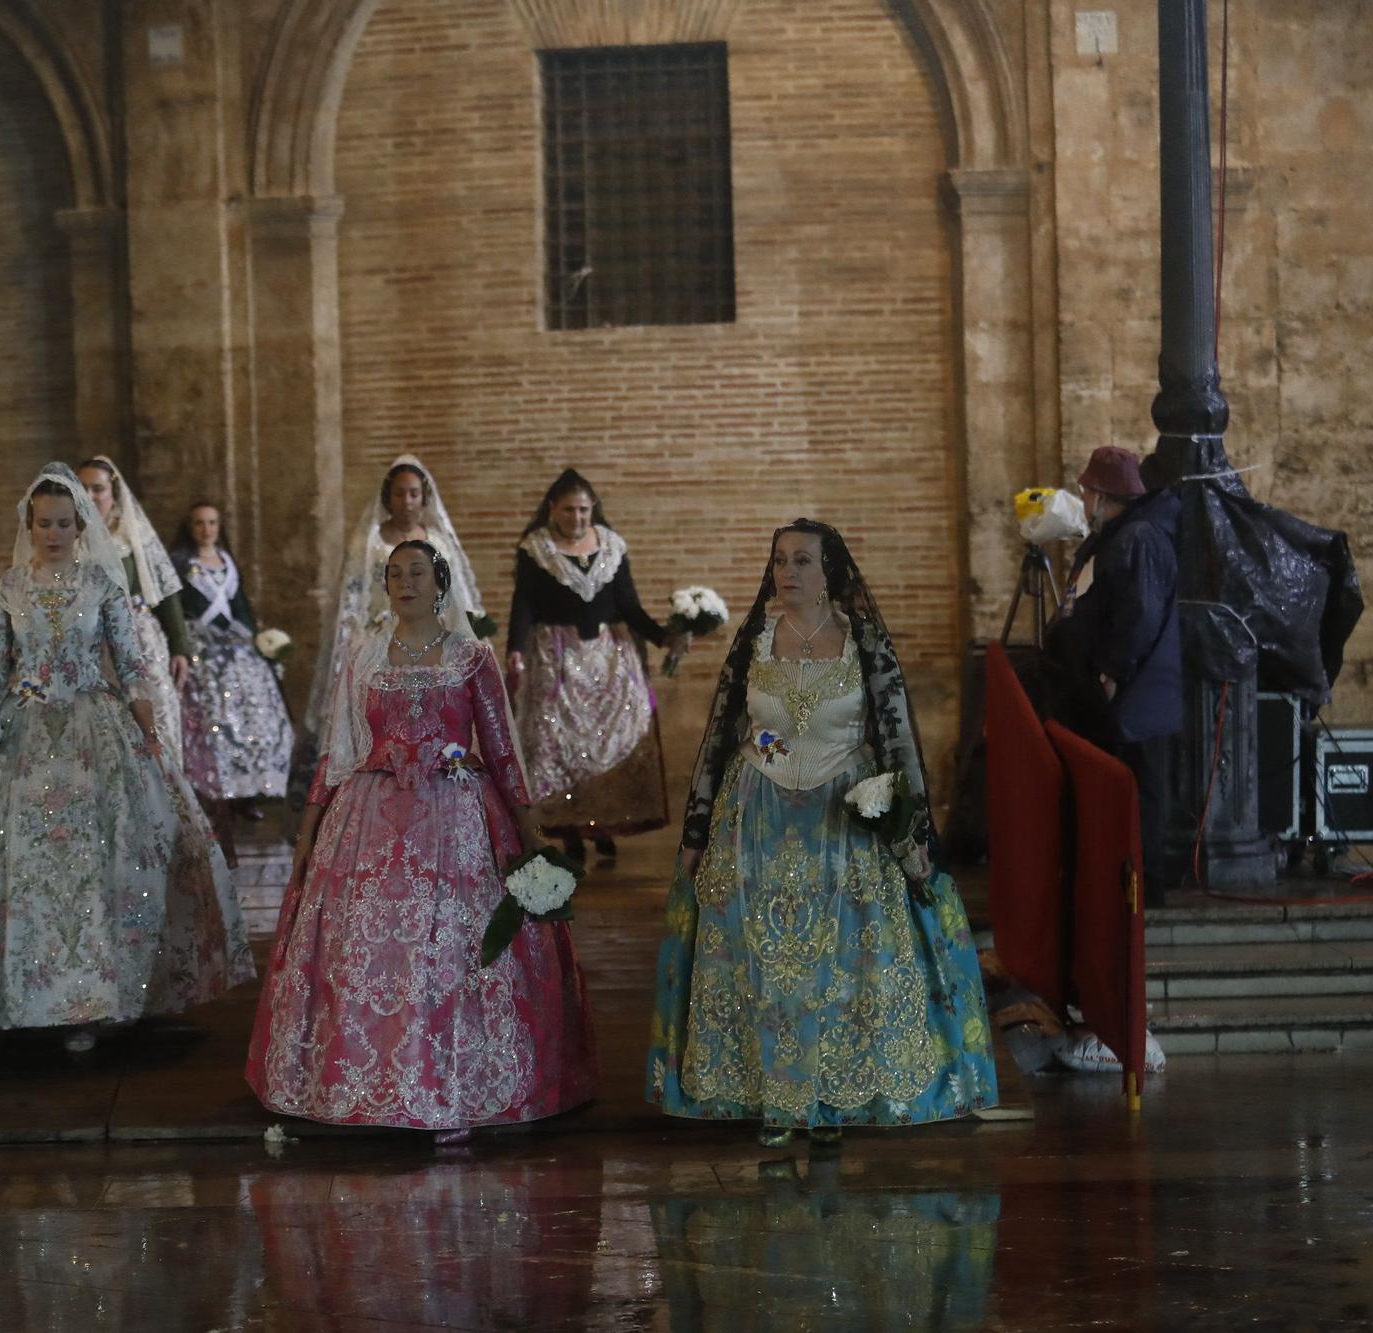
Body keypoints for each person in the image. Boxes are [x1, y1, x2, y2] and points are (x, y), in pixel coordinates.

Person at [647, 519, 997, 1147]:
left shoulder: (864, 642)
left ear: (830, 571)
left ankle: (835, 1095)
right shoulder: (754, 640)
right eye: (781, 560)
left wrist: (912, 830)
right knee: (760, 958)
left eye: (803, 561)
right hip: (756, 813)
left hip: (845, 816)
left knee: (844, 957)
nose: (789, 572)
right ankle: (770, 1098)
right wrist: (695, 833)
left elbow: (895, 738)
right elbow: (721, 737)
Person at [248, 540, 595, 1146]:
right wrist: (307, 834)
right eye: (394, 574)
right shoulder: (363, 656)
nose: (404, 582)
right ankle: (362, 1084)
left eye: (416, 572)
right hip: (371, 814)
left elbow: (501, 749)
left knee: (450, 950)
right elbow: (337, 753)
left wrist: (531, 833)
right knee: (371, 949)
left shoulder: (471, 657)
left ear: (440, 581)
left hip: (456, 813)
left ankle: (451, 1087)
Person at [0, 464, 252, 1049]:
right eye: (44, 523)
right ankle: (26, 992)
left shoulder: (103, 585)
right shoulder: (6, 589)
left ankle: (95, 996)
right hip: (23, 732)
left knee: (100, 867)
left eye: (64, 523)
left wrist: (149, 735)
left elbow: (131, 663)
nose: (53, 533)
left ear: (80, 525)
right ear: (29, 524)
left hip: (94, 726)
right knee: (23, 868)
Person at [506, 468, 682, 864]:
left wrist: (662, 636)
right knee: (559, 745)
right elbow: (525, 604)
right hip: (556, 659)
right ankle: (567, 831)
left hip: (608, 659)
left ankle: (599, 824)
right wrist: (514, 648)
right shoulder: (536, 549)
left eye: (585, 510)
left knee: (605, 745)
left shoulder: (613, 547)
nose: (578, 518)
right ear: (553, 508)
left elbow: (630, 606)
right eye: (569, 510)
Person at [291, 456, 485, 811]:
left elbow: (456, 596)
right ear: (388, 498)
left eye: (414, 494)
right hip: (382, 640)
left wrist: (466, 634)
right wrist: (354, 641)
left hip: (430, 639)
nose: (407, 501)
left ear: (424, 498)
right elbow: (354, 594)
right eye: (399, 494)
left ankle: (435, 777)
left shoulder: (438, 541)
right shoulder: (370, 542)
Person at [1059, 446, 1181, 904]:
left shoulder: (1139, 539)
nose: (1084, 501)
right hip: (1119, 698)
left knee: (1138, 799)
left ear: (1105, 495)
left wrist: (1110, 673)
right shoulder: (1118, 537)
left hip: (1134, 700)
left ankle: (1141, 895)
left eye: (1088, 492)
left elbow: (1139, 616)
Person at [169, 502, 295, 845]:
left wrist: (259, 641)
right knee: (214, 718)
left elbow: (241, 607)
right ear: (190, 527)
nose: (206, 529)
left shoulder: (228, 563)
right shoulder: (181, 564)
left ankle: (250, 792)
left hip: (238, 649)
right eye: (199, 523)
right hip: (204, 651)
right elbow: (176, 607)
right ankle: (216, 789)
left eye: (212, 523)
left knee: (253, 714)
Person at [76, 456, 190, 757]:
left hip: (139, 637)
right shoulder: (67, 535)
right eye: (82, 488)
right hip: (89, 643)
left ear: (112, 491)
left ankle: (165, 792)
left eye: (97, 488)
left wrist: (180, 646)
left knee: (153, 714)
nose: (90, 496)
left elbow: (165, 593)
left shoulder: (132, 534)